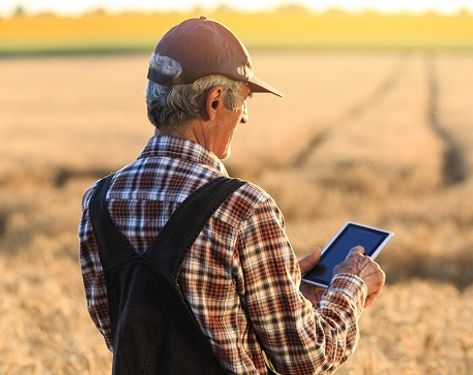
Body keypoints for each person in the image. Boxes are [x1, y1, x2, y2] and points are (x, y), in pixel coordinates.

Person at [79, 17, 385, 375]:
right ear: (213, 102)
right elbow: (308, 359)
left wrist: (284, 290)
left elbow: (123, 332)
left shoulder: (97, 201)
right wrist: (352, 284)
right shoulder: (244, 208)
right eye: (243, 101)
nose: (245, 118)